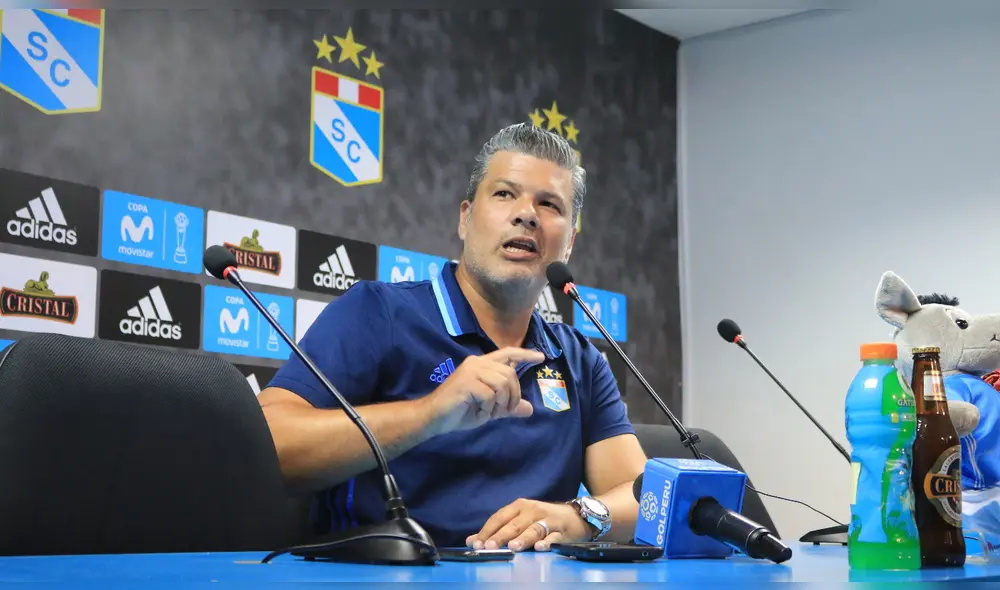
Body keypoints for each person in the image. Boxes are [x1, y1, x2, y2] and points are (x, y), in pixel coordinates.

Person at [258, 122, 647, 552]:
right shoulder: (378, 313)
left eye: (549, 204)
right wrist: (430, 414)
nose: (526, 213)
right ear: (465, 218)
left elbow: (643, 496)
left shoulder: (579, 359)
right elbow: (269, 446)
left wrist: (578, 517)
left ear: (569, 243)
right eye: (504, 194)